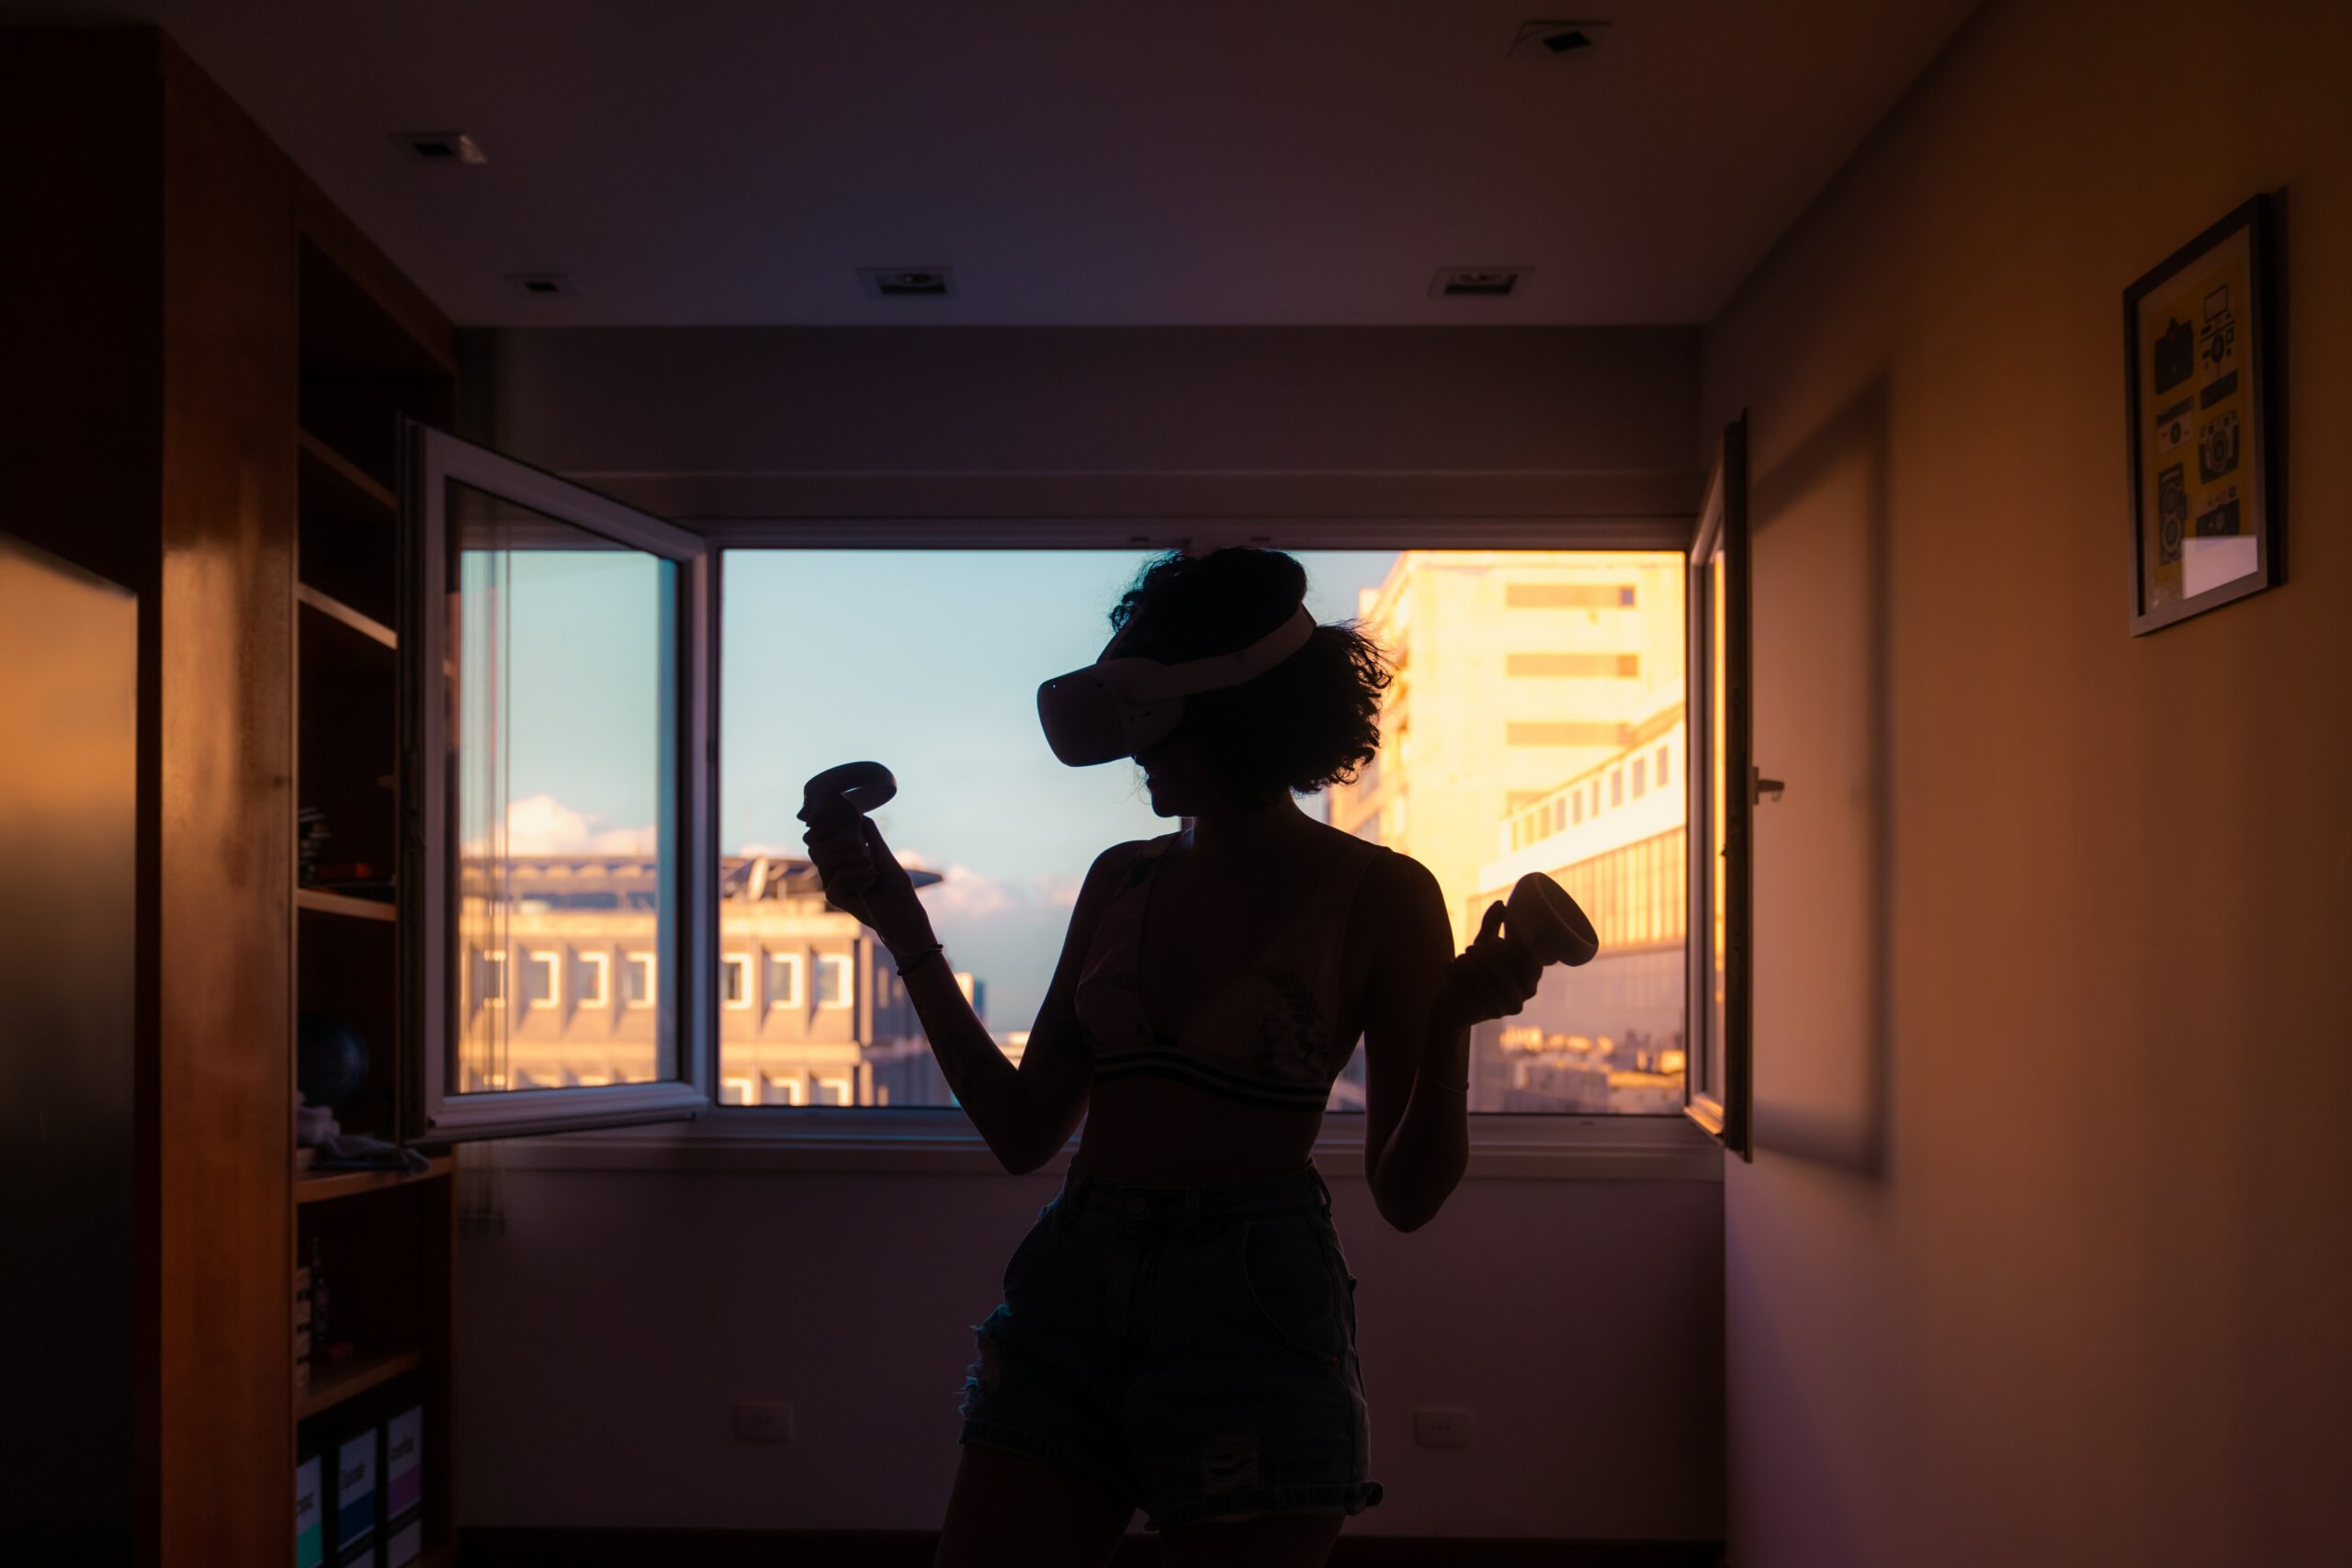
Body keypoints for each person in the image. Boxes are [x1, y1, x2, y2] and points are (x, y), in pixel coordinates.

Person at [803, 547, 1544, 1568]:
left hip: (1254, 1302)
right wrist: (899, 924)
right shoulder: (1121, 881)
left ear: (1235, 719)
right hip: (1076, 1277)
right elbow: (1025, 1133)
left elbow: (1408, 1194)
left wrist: (1452, 1028)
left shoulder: (1381, 895)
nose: (1134, 758)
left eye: (1151, 725)